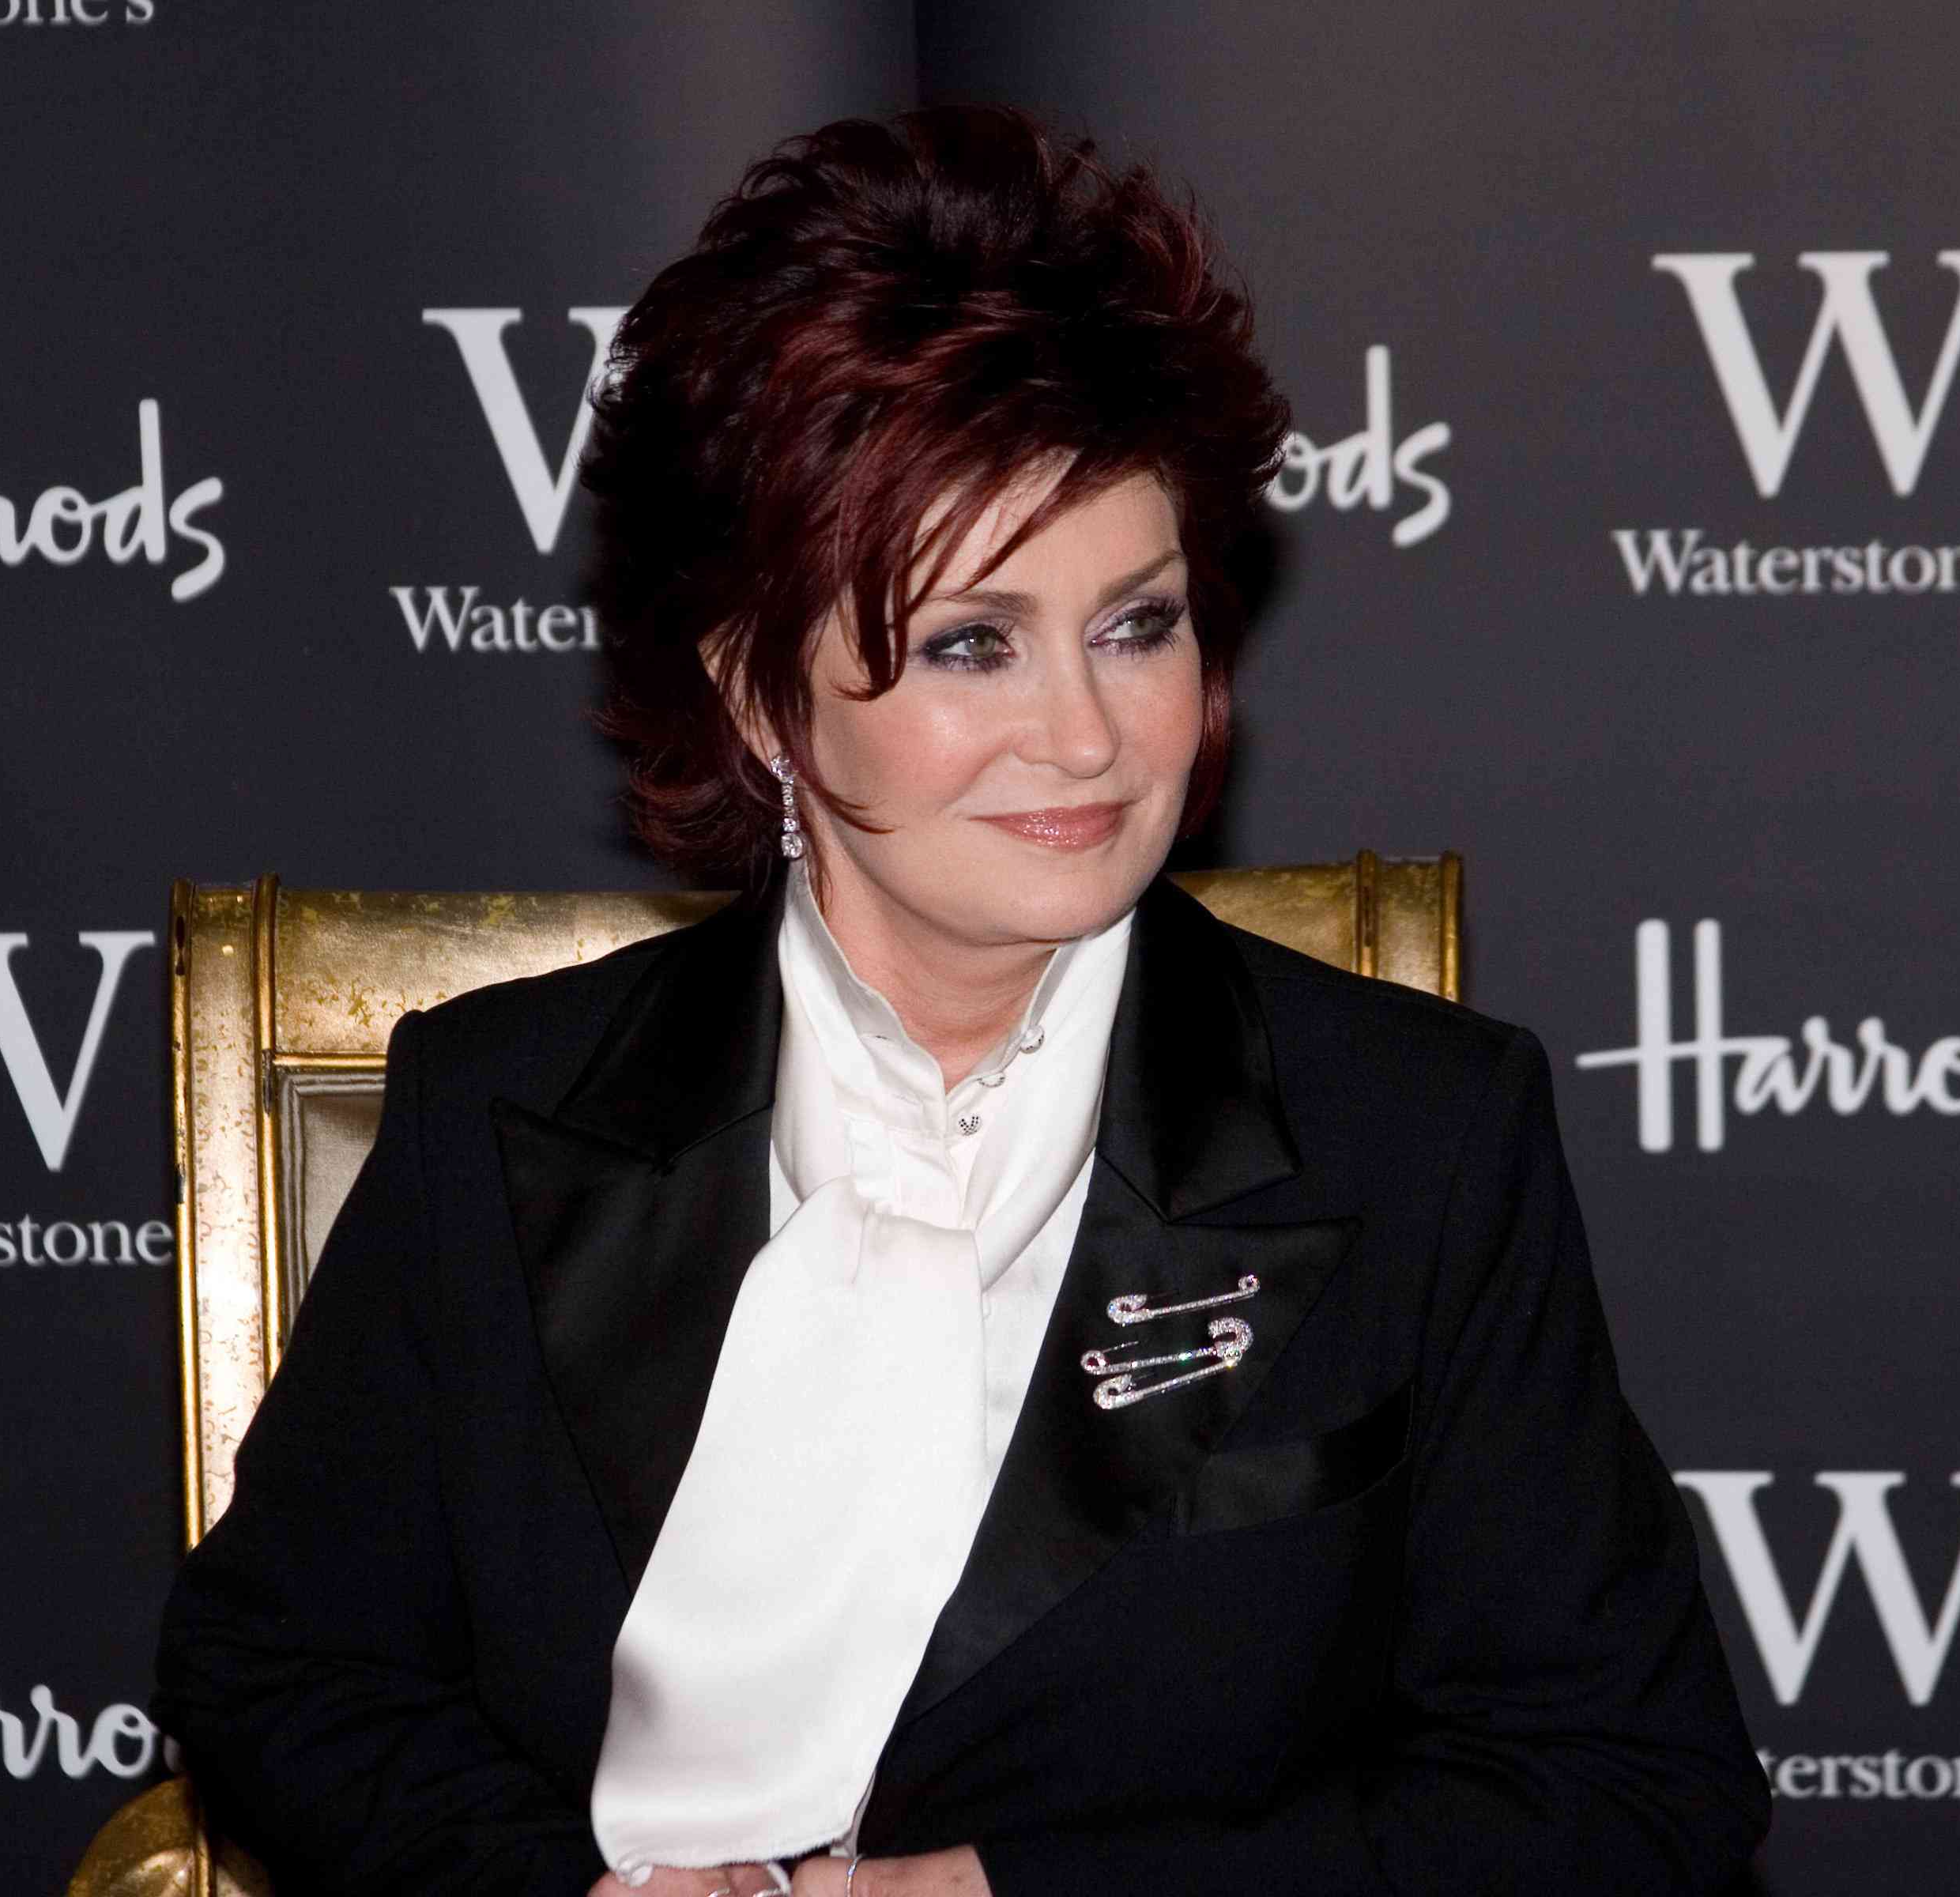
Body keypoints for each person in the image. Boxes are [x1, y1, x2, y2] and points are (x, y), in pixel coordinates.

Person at [153, 106, 1770, 1896]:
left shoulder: (1418, 1136)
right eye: (971, 644)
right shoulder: (497, 1103)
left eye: (1136, 626)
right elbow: (285, 1665)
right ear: (758, 692)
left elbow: (1627, 1789)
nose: (1087, 737)